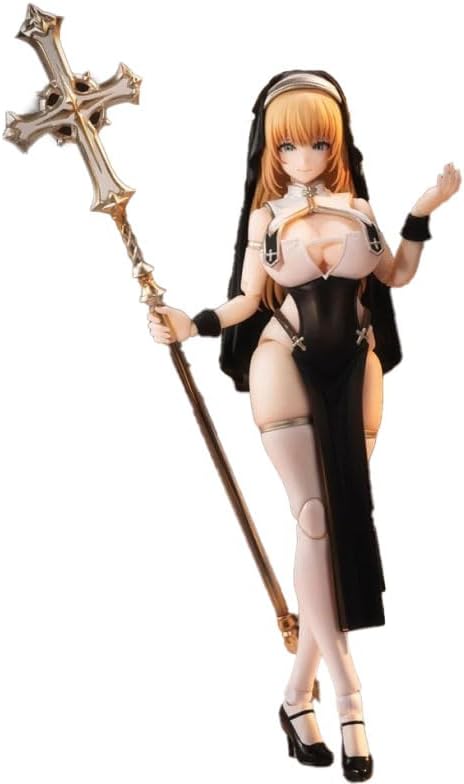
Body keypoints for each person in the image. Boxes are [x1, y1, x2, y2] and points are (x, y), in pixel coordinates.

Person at [147, 70, 460, 780]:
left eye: (318, 142)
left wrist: (422, 210)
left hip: (358, 365)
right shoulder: (266, 220)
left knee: (340, 517)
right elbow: (245, 301)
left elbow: (396, 277)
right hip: (281, 357)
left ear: (337, 143)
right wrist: (191, 324)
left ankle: (295, 696)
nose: (303, 156)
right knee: (314, 515)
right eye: (288, 145)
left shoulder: (358, 207)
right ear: (270, 149)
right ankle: (350, 698)